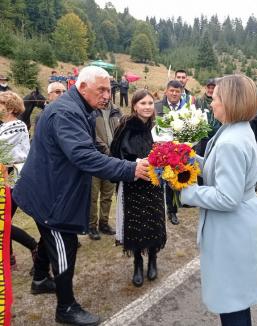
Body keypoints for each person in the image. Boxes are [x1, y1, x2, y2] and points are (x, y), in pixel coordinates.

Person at [12, 66, 149, 326]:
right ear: (82, 87)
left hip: (50, 188)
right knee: (64, 243)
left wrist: (115, 160)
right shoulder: (66, 111)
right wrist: (129, 169)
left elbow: (91, 144)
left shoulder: (82, 108)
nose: (108, 95)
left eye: (109, 89)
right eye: (102, 89)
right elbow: (83, 155)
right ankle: (66, 307)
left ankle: (40, 278)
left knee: (49, 235)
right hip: (49, 193)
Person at [180, 74, 257, 326]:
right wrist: (193, 159)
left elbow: (227, 197)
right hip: (237, 226)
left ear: (229, 101)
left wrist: (187, 191)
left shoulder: (231, 141)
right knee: (237, 295)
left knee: (232, 301)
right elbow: (222, 171)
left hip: (231, 231)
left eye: (215, 98)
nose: (211, 103)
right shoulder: (235, 129)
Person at [111, 89, 166, 288]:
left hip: (154, 184)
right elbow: (115, 154)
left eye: (150, 103)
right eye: (142, 103)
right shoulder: (125, 126)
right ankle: (137, 261)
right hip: (133, 183)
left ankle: (152, 258)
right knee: (135, 223)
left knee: (153, 220)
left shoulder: (158, 127)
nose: (147, 107)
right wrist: (134, 164)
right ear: (134, 105)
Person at [0, 91, 38, 270]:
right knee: (4, 221)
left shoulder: (18, 125)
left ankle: (33, 246)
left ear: (9, 107)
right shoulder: (3, 126)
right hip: (5, 178)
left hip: (15, 179)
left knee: (3, 222)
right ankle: (9, 258)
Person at [89, 96, 122, 240]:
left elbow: (121, 131)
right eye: (101, 91)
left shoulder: (116, 110)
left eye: (108, 90)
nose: (105, 95)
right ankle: (91, 226)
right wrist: (106, 149)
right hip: (95, 159)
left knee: (107, 195)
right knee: (92, 195)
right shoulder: (91, 111)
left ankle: (104, 223)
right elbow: (91, 135)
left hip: (111, 161)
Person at [154, 80, 184, 225]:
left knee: (174, 184)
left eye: (177, 91)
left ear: (181, 93)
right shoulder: (156, 107)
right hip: (159, 153)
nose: (174, 93)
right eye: (171, 90)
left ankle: (172, 211)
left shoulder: (186, 109)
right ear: (166, 91)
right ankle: (157, 211)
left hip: (177, 153)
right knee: (158, 183)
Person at [195, 78, 222, 156]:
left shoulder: (220, 102)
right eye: (208, 88)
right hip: (201, 139)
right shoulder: (199, 101)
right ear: (205, 88)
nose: (210, 90)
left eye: (213, 88)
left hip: (215, 137)